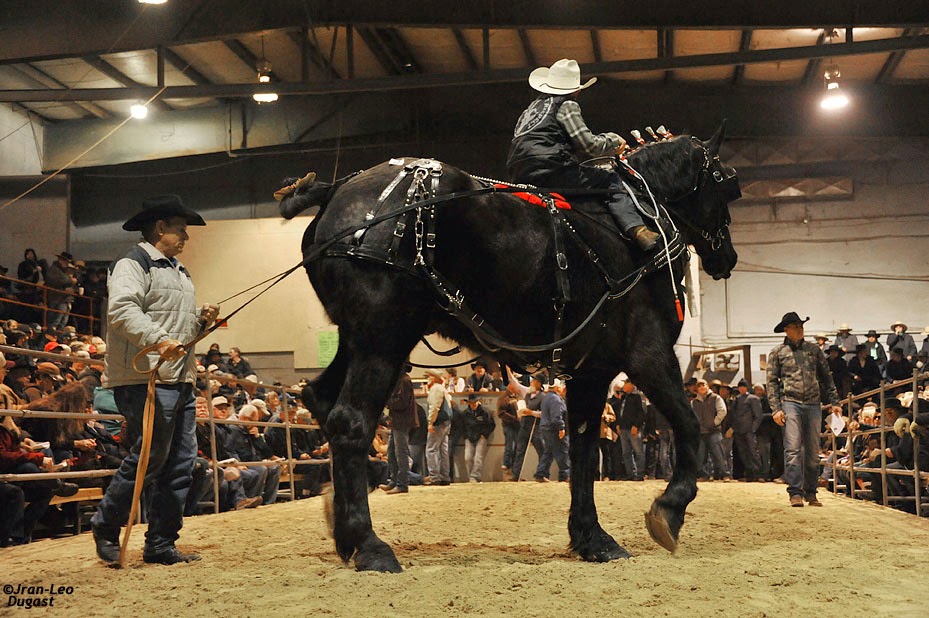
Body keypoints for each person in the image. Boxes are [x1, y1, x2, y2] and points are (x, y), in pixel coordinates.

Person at [90, 194, 219, 566]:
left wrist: (201, 320)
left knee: (180, 463)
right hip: (143, 378)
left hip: (178, 379)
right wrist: (159, 340)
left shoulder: (179, 271)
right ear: (160, 227)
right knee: (150, 457)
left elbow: (176, 328)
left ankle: (161, 542)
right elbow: (122, 310)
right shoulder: (133, 262)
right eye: (181, 229)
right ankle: (107, 526)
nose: (186, 237)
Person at [506, 58, 659, 251]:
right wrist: (613, 140)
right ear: (576, 90)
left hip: (518, 173)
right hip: (552, 170)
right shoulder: (567, 105)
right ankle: (638, 231)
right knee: (610, 180)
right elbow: (589, 146)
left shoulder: (530, 110)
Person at [766, 312, 842, 508]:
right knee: (792, 448)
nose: (799, 329)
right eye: (795, 326)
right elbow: (772, 382)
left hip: (813, 403)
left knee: (812, 450)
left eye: (800, 325)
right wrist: (776, 409)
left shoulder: (814, 350)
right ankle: (795, 492)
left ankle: (810, 491)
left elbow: (827, 377)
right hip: (790, 402)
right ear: (786, 329)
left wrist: (835, 401)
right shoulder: (777, 353)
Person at [384, 364, 417, 494]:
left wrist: (386, 401)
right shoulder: (401, 380)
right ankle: (394, 480)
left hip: (402, 421)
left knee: (400, 452)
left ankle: (402, 483)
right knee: (392, 451)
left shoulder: (403, 381)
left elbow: (401, 402)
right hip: (397, 421)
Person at [691, 379, 730, 481]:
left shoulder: (716, 398)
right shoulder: (694, 402)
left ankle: (725, 474)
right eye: (699, 386)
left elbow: (722, 411)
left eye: (703, 385)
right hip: (701, 432)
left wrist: (714, 423)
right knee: (701, 455)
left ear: (707, 386)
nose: (701, 387)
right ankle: (704, 475)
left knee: (719, 454)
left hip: (714, 431)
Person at [534, 379, 569, 482]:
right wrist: (561, 428)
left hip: (546, 428)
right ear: (557, 388)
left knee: (548, 451)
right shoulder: (556, 399)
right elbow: (556, 416)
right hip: (553, 429)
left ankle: (541, 473)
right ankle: (565, 474)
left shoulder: (546, 398)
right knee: (562, 450)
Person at [729, 379, 763, 481]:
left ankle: (758, 474)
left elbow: (758, 415)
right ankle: (749, 474)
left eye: (743, 386)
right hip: (739, 430)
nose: (741, 388)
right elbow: (733, 415)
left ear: (747, 387)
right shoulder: (737, 399)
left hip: (749, 429)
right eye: (740, 387)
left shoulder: (753, 399)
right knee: (743, 453)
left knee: (753, 452)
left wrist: (753, 429)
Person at [423, 369, 451, 485]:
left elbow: (434, 407)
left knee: (431, 449)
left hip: (438, 423)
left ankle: (434, 477)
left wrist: (430, 422)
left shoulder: (435, 389)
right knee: (443, 450)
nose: (428, 378)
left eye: (429, 376)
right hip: (446, 422)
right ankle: (445, 477)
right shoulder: (443, 389)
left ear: (434, 378)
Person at [615, 381, 647, 481]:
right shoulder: (623, 397)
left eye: (626, 384)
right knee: (626, 452)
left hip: (633, 428)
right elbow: (620, 412)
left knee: (638, 451)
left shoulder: (637, 397)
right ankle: (630, 474)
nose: (624, 386)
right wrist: (618, 424)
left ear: (631, 385)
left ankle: (640, 474)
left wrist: (636, 426)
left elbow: (642, 413)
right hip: (623, 428)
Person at [461, 393, 495, 482]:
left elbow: (491, 425)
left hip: (481, 437)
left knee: (478, 458)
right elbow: (462, 426)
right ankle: (472, 476)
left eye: (475, 402)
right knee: (467, 458)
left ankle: (474, 477)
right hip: (469, 437)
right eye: (472, 403)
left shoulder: (485, 412)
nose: (474, 404)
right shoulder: (465, 414)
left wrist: (485, 435)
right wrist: (466, 436)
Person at [45, 252, 80, 331]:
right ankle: (51, 337)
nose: (67, 264)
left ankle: (55, 336)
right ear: (61, 260)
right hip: (57, 299)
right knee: (56, 321)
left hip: (64, 299)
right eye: (66, 261)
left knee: (62, 321)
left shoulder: (64, 271)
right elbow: (54, 281)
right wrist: (70, 281)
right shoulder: (54, 270)